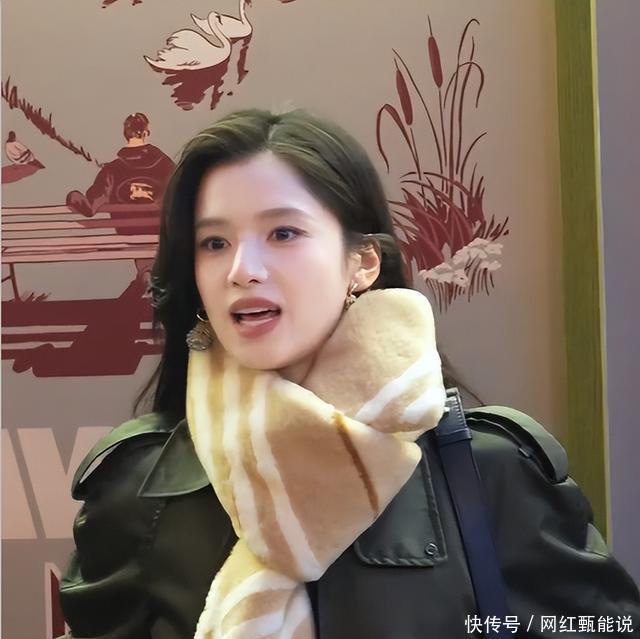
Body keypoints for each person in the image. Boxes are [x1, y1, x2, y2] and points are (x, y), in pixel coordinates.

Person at [58, 109, 640, 639]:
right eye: (214, 242)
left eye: (283, 233)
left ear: (362, 262)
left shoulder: (488, 468)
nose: (242, 269)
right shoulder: (139, 486)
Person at [65, 112, 175, 218]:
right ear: (146, 133)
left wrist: (73, 197)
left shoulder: (111, 170)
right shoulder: (166, 165)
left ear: (125, 134)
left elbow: (90, 207)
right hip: (158, 228)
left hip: (126, 228)